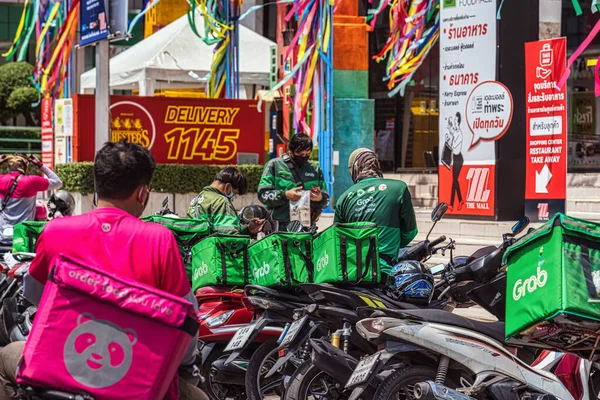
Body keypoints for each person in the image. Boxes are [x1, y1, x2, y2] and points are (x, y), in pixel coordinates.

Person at [0, 141, 207, 400]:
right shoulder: (160, 240)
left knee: (4, 357)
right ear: (142, 193)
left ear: (97, 186)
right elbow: (187, 321)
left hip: (59, 366)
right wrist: (186, 367)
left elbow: (34, 295)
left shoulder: (55, 231)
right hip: (134, 376)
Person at [334, 148, 418, 274]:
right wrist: (392, 243)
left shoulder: (344, 198)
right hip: (386, 271)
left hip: (354, 273)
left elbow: (338, 240)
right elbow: (410, 232)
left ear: (355, 169)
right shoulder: (398, 189)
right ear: (376, 164)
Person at [258, 133, 329, 229]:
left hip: (305, 228)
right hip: (279, 227)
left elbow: (326, 199)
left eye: (307, 154)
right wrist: (285, 195)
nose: (304, 157)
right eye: (300, 154)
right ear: (290, 150)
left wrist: (319, 197)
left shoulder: (315, 170)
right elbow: (263, 194)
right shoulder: (274, 165)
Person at [0, 153, 62, 240]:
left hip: (3, 237)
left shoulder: (1, 179)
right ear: (26, 166)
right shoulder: (31, 181)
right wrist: (39, 164)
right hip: (24, 239)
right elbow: (57, 182)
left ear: (9, 166)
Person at [187, 167, 264, 235]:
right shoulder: (221, 201)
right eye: (235, 193)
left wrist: (247, 230)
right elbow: (230, 236)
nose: (233, 197)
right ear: (227, 187)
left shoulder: (196, 200)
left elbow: (214, 228)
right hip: (214, 250)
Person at [448, 112, 464, 211]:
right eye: (454, 121)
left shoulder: (459, 134)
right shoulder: (455, 131)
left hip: (459, 158)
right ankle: (460, 200)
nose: (454, 124)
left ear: (458, 123)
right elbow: (451, 131)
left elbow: (453, 146)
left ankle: (451, 204)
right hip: (455, 157)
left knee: (454, 180)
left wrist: (449, 139)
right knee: (455, 180)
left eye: (455, 122)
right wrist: (450, 126)